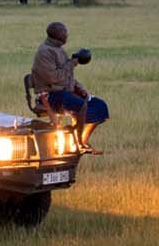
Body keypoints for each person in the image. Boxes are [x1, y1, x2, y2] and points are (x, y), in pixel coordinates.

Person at [31, 21, 109, 153]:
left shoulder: (59, 49)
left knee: (99, 106)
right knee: (80, 106)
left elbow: (67, 76)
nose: (67, 35)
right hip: (50, 95)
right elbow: (53, 78)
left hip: (64, 92)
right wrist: (71, 64)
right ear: (56, 34)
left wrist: (78, 87)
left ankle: (82, 140)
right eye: (64, 32)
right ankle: (78, 142)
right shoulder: (44, 52)